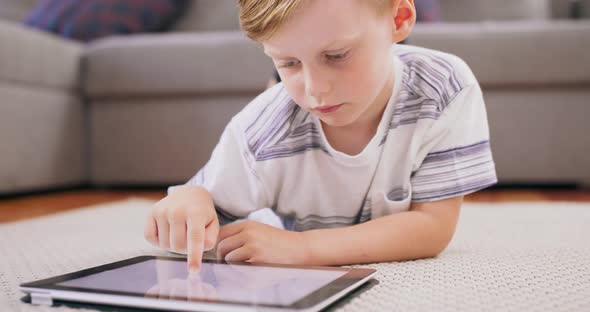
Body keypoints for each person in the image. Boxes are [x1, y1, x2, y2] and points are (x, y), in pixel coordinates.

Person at [145, 0, 497, 273]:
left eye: (337, 55)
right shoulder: (262, 129)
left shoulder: (444, 86)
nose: (316, 90)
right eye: (288, 63)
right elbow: (203, 208)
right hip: (276, 163)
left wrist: (303, 248)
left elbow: (432, 227)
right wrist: (190, 203)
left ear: (399, 18)